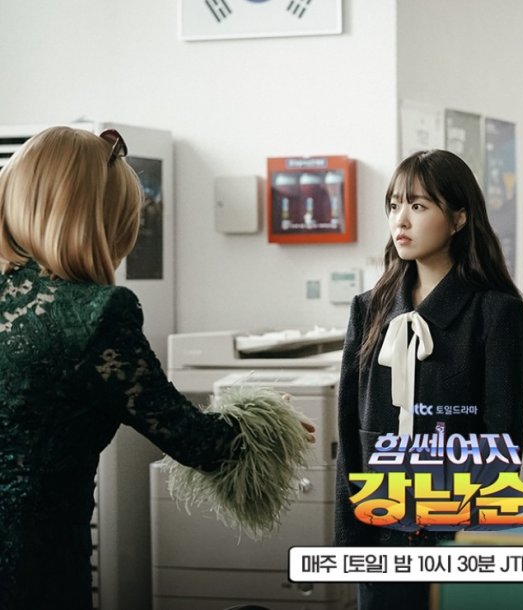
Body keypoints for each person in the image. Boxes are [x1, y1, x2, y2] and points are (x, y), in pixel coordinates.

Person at [0, 126, 314, 609]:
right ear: (103, 220)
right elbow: (196, 441)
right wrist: (271, 420)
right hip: (32, 566)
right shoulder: (96, 315)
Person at [334, 149, 523, 609]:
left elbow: (501, 444)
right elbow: (350, 435)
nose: (401, 220)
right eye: (394, 205)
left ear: (458, 219)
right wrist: (351, 544)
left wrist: (476, 543)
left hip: (457, 539)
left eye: (418, 205)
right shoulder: (368, 309)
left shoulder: (496, 313)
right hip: (381, 538)